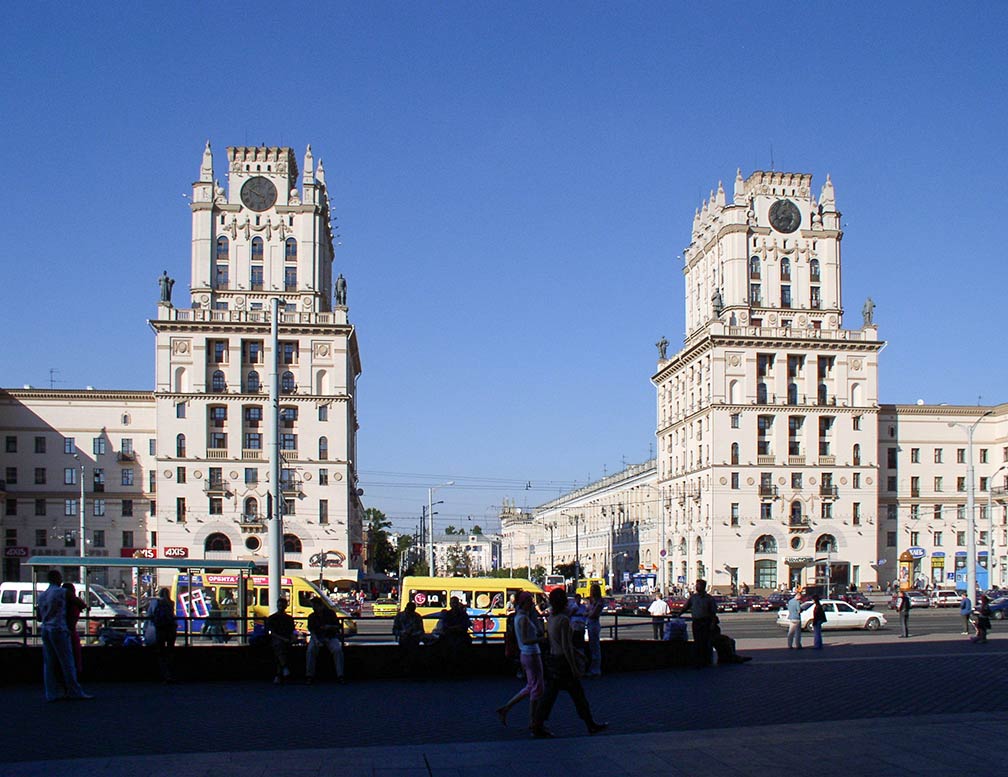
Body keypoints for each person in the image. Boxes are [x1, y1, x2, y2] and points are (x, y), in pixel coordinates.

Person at [532, 588, 608, 738]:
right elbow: (567, 646)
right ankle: (590, 724)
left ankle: (537, 725)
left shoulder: (552, 617)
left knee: (550, 696)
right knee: (577, 695)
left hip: (553, 659)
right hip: (563, 663)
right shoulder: (564, 620)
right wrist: (574, 666)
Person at [38, 570, 93, 701]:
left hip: (45, 629)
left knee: (49, 663)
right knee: (67, 661)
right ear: (57, 578)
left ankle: (51, 693)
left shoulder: (42, 595)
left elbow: (39, 616)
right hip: (59, 629)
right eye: (60, 577)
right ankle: (74, 691)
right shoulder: (62, 592)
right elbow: (82, 604)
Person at [496, 592, 545, 731]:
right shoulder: (523, 619)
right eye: (530, 601)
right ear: (524, 603)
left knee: (531, 686)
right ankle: (533, 721)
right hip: (531, 653)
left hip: (528, 654)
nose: (532, 604)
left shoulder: (521, 617)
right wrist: (539, 640)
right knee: (537, 687)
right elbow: (525, 640)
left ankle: (506, 708)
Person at [676, 579, 717, 666]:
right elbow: (686, 607)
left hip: (706, 622)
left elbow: (713, 612)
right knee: (697, 641)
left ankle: (707, 660)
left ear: (703, 587)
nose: (696, 587)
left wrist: (712, 623)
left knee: (706, 641)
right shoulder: (693, 597)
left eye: (698, 585)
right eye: (696, 585)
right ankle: (699, 660)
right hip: (696, 622)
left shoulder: (709, 598)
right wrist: (679, 614)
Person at [306, 597, 345, 684]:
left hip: (330, 637)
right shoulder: (312, 616)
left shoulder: (330, 614)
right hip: (318, 638)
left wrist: (329, 626)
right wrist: (316, 641)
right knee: (310, 651)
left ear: (319, 605)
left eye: (314, 606)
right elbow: (312, 631)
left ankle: (340, 675)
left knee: (337, 650)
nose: (313, 608)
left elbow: (337, 626)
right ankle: (309, 676)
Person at [148, 588, 178, 682]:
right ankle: (171, 674)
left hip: (160, 628)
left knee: (160, 652)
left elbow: (150, 614)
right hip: (171, 628)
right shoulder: (171, 603)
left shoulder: (156, 602)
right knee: (170, 651)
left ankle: (163, 674)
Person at [264, 598, 295, 684]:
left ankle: (279, 673)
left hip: (282, 639)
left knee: (279, 650)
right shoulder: (274, 618)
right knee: (280, 647)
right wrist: (285, 639)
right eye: (280, 605)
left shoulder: (274, 618)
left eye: (282, 605)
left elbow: (291, 631)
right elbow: (272, 633)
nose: (281, 607)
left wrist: (291, 638)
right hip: (278, 639)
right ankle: (283, 669)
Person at [392, 601, 425, 675]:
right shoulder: (401, 616)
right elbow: (394, 630)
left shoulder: (416, 616)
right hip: (405, 639)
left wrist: (413, 634)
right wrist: (403, 632)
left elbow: (421, 631)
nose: (410, 613)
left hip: (412, 640)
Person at [63, 582, 87, 675]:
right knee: (75, 654)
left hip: (64, 631)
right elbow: (83, 605)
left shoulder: (62, 601)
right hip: (71, 631)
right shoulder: (74, 602)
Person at [585, 583, 604, 677]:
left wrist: (587, 613)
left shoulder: (599, 602)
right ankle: (594, 668)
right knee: (592, 646)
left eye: (592, 590)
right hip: (590, 623)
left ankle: (596, 669)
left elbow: (593, 614)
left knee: (595, 646)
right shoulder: (592, 601)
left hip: (594, 624)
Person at [568, 593, 588, 658]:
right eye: (577, 599)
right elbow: (569, 615)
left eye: (579, 598)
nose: (578, 600)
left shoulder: (583, 607)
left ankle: (581, 654)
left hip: (581, 625)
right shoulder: (572, 606)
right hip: (574, 625)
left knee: (581, 641)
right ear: (575, 599)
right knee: (574, 641)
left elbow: (585, 616)